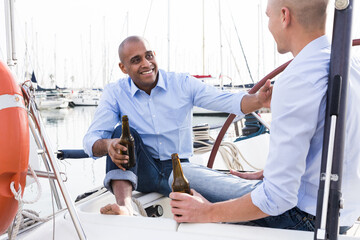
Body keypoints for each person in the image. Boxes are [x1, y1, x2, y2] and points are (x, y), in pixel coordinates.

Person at [169, 0, 360, 233]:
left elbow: (277, 198)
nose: (268, 24)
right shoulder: (352, 64)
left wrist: (207, 211)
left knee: (182, 175)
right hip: (345, 214)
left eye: (268, 16)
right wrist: (274, 170)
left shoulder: (297, 78)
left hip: (305, 219)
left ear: (284, 16)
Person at [83, 35, 272, 216]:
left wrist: (258, 100)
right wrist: (109, 145)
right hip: (141, 172)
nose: (146, 64)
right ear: (123, 68)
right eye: (136, 60)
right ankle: (125, 207)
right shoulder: (115, 92)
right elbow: (92, 140)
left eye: (149, 55)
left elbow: (227, 101)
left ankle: (282, 199)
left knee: (239, 194)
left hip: (179, 169)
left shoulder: (182, 83)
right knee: (122, 134)